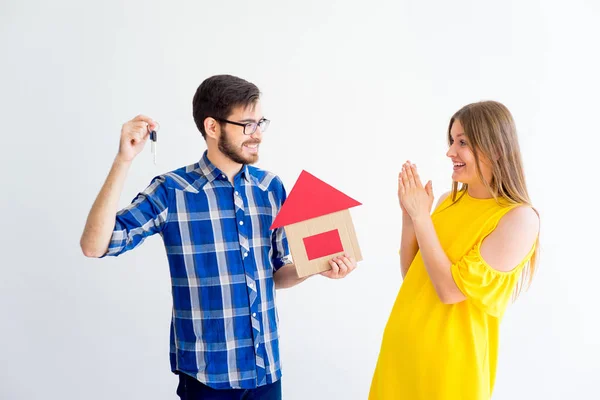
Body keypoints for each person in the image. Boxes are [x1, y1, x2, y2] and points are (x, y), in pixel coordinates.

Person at [80, 74, 357, 400]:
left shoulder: (271, 188)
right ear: (213, 127)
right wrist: (123, 161)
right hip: (206, 378)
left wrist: (316, 267)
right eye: (247, 125)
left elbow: (276, 274)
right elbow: (94, 246)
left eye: (260, 123)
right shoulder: (171, 191)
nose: (257, 136)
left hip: (266, 370)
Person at [369, 101, 540, 399]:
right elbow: (415, 276)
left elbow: (449, 291)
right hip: (402, 354)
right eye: (451, 140)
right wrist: (410, 217)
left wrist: (422, 217)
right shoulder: (448, 201)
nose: (450, 152)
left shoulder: (518, 219)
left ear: (496, 148)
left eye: (462, 142)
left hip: (451, 369)